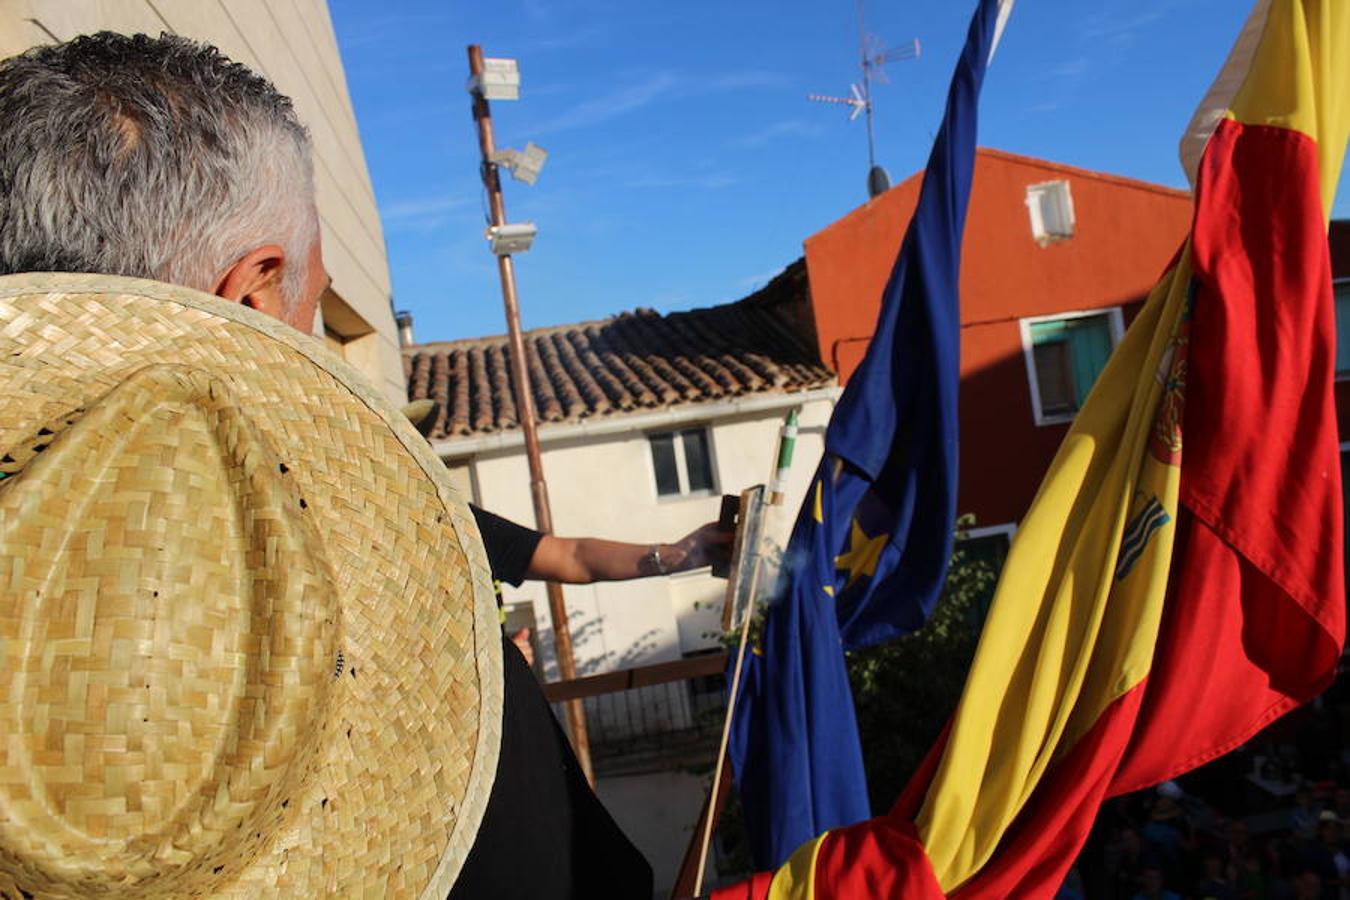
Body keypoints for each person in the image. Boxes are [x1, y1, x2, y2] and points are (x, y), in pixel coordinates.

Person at [0, 30, 724, 898]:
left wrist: (679, 555)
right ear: (254, 293)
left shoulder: (40, 544)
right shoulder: (349, 535)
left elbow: (557, 555)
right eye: (313, 298)